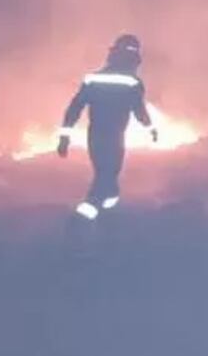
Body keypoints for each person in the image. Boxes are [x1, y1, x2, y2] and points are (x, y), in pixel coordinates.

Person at [57, 34, 158, 220]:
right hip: (114, 136)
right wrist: (150, 129)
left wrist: (64, 137)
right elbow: (139, 111)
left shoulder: (93, 79)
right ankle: (86, 213)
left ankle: (107, 213)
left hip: (94, 135)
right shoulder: (132, 83)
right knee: (108, 174)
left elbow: (74, 108)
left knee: (105, 174)